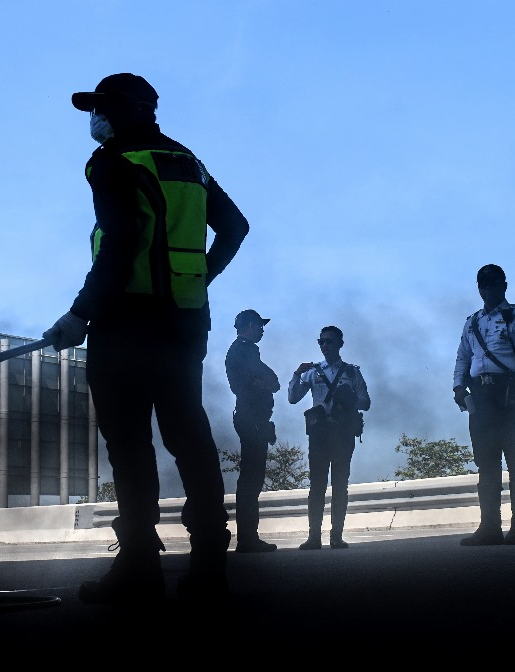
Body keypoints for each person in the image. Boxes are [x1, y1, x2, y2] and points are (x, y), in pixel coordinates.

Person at [43, 72, 249, 605]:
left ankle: (138, 568)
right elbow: (236, 227)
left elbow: (120, 242)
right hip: (184, 321)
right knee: (190, 437)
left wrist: (79, 314)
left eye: (102, 108)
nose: (95, 118)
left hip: (125, 322)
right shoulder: (187, 161)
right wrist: (197, 277)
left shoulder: (112, 161)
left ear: (130, 109)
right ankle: (210, 567)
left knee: (129, 447)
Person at [452, 264, 515, 546]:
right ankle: (490, 528)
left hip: (513, 394)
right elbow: (463, 357)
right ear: (478, 288)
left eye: (493, 284)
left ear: (504, 286)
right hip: (481, 397)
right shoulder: (472, 322)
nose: (487, 289)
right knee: (486, 462)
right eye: (483, 285)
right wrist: (458, 386)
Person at [288, 325, 371, 550]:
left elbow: (365, 402)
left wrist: (349, 401)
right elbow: (293, 398)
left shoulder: (352, 372)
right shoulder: (312, 372)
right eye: (321, 341)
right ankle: (314, 537)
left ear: (340, 344)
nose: (325, 345)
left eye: (330, 341)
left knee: (340, 484)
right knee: (317, 485)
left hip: (343, 432)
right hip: (320, 432)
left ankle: (336, 536)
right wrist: (296, 374)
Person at [225, 309, 280, 553]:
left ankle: (248, 537)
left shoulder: (244, 350)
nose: (262, 330)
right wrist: (265, 383)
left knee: (251, 479)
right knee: (251, 479)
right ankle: (247, 538)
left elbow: (272, 381)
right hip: (252, 419)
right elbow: (259, 380)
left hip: (253, 418)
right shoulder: (243, 351)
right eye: (259, 325)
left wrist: (267, 382)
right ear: (249, 325)